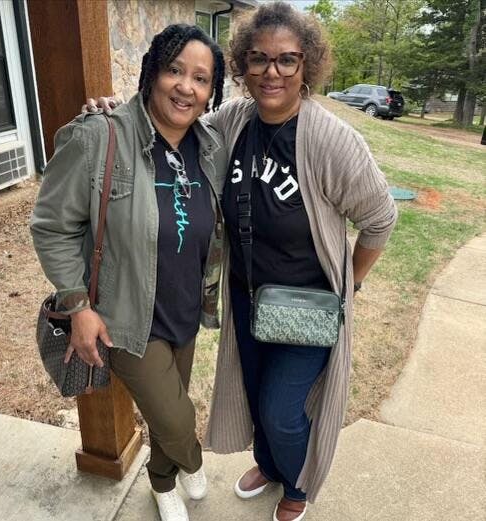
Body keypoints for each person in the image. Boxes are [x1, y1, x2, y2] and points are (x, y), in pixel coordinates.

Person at [89, 4, 397, 520]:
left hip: (307, 305)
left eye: (286, 60)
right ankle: (270, 466)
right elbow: (173, 117)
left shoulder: (331, 140)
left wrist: (352, 283)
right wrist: (114, 112)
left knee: (282, 411)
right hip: (247, 300)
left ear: (307, 64)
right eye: (258, 59)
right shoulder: (232, 123)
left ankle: (296, 485)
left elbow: (381, 219)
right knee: (256, 398)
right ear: (243, 66)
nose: (272, 72)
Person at [30, 24, 227, 521]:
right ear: (152, 72)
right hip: (126, 320)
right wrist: (78, 304)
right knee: (177, 420)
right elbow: (51, 226)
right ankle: (189, 458)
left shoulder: (209, 146)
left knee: (166, 412)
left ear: (212, 92)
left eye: (201, 78)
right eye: (174, 70)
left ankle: (161, 484)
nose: (186, 87)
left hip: (186, 309)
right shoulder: (100, 137)